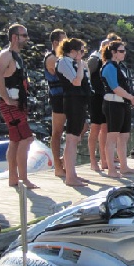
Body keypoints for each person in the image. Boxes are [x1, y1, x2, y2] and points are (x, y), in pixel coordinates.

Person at [0, 23, 38, 188]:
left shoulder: (17, 56)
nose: (27, 38)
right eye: (24, 35)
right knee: (26, 139)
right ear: (14, 37)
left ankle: (13, 179)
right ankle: (23, 179)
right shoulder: (6, 55)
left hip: (18, 104)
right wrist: (6, 98)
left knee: (15, 140)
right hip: (10, 105)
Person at [55, 38, 92, 187]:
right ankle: (69, 176)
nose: (82, 54)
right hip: (72, 100)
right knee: (71, 139)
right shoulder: (64, 61)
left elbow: (85, 80)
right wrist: (79, 64)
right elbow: (76, 81)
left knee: (75, 138)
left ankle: (73, 173)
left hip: (80, 101)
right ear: (73, 51)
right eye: (81, 51)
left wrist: (80, 64)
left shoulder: (75, 63)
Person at [100, 40, 134, 178]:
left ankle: (124, 166)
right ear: (113, 53)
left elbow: (130, 82)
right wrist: (130, 96)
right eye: (121, 51)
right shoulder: (109, 67)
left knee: (124, 136)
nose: (124, 53)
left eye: (124, 51)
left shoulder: (122, 67)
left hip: (124, 103)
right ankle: (111, 169)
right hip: (113, 104)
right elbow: (115, 87)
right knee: (112, 137)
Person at [87, 33, 121, 171]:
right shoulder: (94, 59)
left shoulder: (109, 62)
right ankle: (92, 161)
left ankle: (104, 159)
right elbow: (88, 77)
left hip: (105, 97)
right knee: (95, 128)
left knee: (105, 129)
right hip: (95, 97)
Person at [43, 28, 67, 177]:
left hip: (68, 98)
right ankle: (58, 167)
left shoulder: (63, 58)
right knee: (57, 132)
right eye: (63, 40)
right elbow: (65, 75)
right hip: (58, 97)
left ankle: (64, 159)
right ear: (55, 42)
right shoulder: (51, 58)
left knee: (82, 127)